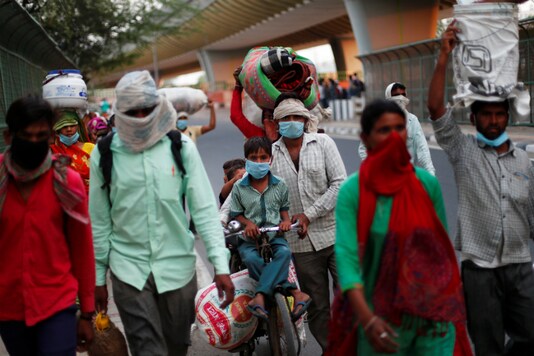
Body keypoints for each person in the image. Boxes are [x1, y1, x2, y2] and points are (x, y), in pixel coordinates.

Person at [89, 70, 234, 356]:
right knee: (148, 349)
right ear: (121, 112)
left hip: (178, 267)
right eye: (134, 111)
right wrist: (97, 279)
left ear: (158, 107)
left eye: (148, 109)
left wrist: (221, 266)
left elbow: (204, 209)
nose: (142, 116)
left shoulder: (181, 148)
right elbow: (100, 222)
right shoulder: (104, 155)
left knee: (177, 345)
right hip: (128, 270)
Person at [427, 21, 534, 356]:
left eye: (499, 114)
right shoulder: (463, 151)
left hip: (520, 268)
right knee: (487, 346)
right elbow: (436, 110)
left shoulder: (524, 162)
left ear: (507, 117)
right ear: (474, 120)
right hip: (480, 272)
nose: (493, 120)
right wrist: (444, 56)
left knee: (530, 336)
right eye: (485, 114)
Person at [333, 99, 471, 355]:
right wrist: (367, 319)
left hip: (431, 317)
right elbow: (347, 258)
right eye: (385, 130)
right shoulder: (353, 191)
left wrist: (450, 301)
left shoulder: (427, 184)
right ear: (366, 138)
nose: (395, 136)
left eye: (400, 128)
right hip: (380, 318)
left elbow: (441, 251)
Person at [0, 95, 95, 354]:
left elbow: (82, 249)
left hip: (57, 305)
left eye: (40, 136)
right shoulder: (0, 180)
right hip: (8, 308)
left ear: (50, 139)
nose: (33, 143)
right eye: (26, 136)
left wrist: (87, 312)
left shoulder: (67, 182)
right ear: (9, 137)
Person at [269, 92, 347, 351]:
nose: (292, 122)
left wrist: (309, 214)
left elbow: (339, 185)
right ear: (277, 123)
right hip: (300, 245)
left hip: (335, 234)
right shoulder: (270, 155)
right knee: (318, 307)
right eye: (286, 118)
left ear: (304, 119)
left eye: (296, 117)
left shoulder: (323, 143)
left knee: (351, 295)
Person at [229, 136, 311, 320]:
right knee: (250, 258)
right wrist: (248, 224)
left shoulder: (280, 185)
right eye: (253, 158)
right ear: (246, 160)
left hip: (275, 236)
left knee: (283, 253)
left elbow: (284, 210)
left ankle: (260, 296)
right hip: (250, 239)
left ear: (270, 159)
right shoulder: (239, 187)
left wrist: (286, 222)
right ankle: (295, 292)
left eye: (263, 157)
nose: (259, 162)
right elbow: (236, 213)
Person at [358, 82, 436, 175]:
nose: (400, 98)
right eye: (396, 95)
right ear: (388, 97)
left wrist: (430, 172)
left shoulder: (412, 121)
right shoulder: (377, 120)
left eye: (403, 95)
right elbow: (363, 150)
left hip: (407, 176)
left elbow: (422, 149)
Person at [50, 111, 95, 192]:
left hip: (92, 196)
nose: (69, 129)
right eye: (64, 126)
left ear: (78, 127)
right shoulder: (52, 150)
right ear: (58, 129)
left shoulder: (91, 148)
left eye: (72, 125)